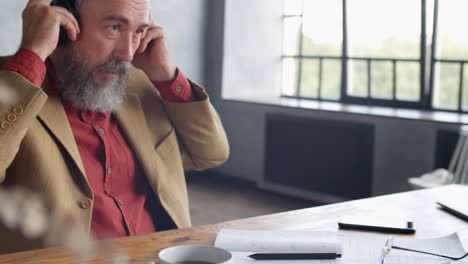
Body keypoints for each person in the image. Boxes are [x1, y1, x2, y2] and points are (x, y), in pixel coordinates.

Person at [0, 0, 229, 253]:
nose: (128, 54)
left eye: (139, 31)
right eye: (114, 28)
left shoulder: (144, 82)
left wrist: (167, 75)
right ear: (63, 26)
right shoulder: (13, 87)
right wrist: (32, 54)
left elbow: (212, 154)